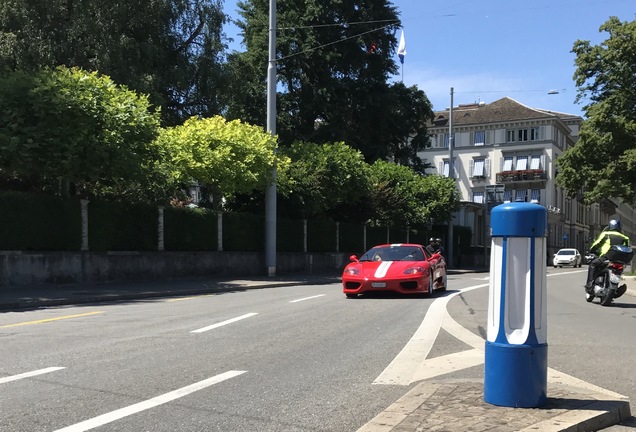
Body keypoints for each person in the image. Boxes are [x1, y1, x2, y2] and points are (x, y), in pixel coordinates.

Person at [584, 219, 630, 292]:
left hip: (606, 257)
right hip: (620, 260)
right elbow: (626, 248)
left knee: (593, 264)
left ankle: (589, 284)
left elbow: (597, 244)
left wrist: (592, 250)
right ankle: (616, 288)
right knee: (618, 272)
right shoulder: (625, 238)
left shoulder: (606, 234)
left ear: (610, 226)